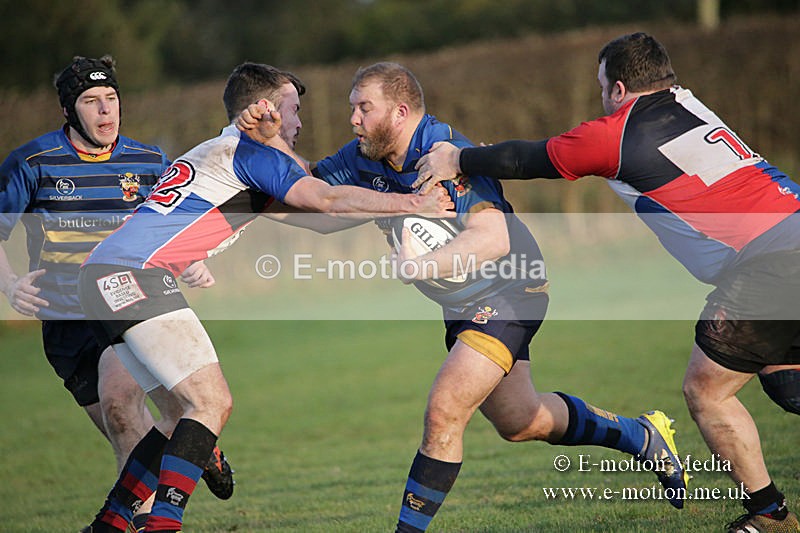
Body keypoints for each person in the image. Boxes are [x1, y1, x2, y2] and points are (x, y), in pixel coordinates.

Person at [240, 61, 688, 532]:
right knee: (520, 421)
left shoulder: (444, 153)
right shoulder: (362, 156)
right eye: (353, 108)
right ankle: (640, 435)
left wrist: (420, 266)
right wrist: (262, 144)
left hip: (510, 287)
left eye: (363, 109)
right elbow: (308, 199)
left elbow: (492, 238)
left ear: (400, 111)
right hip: (463, 303)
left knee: (446, 407)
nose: (353, 119)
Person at [413, 32, 800, 533]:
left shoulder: (617, 132)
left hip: (768, 261)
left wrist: (458, 160)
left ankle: (771, 516)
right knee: (784, 379)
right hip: (790, 234)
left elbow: (531, 159)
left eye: (601, 88)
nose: (601, 99)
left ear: (618, 89)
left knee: (707, 391)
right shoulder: (688, 103)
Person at [76, 61, 454, 533]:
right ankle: (162, 526)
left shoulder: (227, 152)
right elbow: (327, 200)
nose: (298, 124)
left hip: (101, 278)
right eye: (293, 111)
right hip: (133, 276)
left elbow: (319, 220)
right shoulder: (251, 152)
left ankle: (109, 524)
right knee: (211, 404)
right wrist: (414, 203)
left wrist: (387, 208)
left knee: (177, 417)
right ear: (266, 110)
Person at [0, 55, 234, 532]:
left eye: (111, 99)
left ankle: (139, 522)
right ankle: (197, 440)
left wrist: (192, 261)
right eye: (91, 102)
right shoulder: (33, 163)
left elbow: (174, 224)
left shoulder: (148, 162)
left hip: (129, 301)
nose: (106, 111)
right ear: (70, 110)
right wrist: (8, 283)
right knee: (125, 426)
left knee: (120, 401)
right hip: (66, 322)